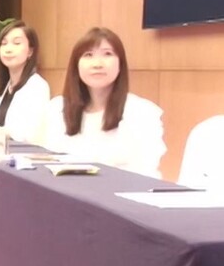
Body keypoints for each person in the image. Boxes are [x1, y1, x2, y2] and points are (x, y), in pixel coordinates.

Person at [41, 27, 166, 178]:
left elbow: (146, 173)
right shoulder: (57, 109)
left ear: (120, 65)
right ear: (76, 65)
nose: (97, 64)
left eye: (107, 54)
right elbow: (47, 165)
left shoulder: (142, 113)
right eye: (88, 55)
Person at [0, 21, 50, 143]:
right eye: (4, 44)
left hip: (23, 153)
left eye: (17, 43)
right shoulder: (4, 86)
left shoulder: (37, 86)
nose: (8, 49)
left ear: (30, 51)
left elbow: (27, 134)